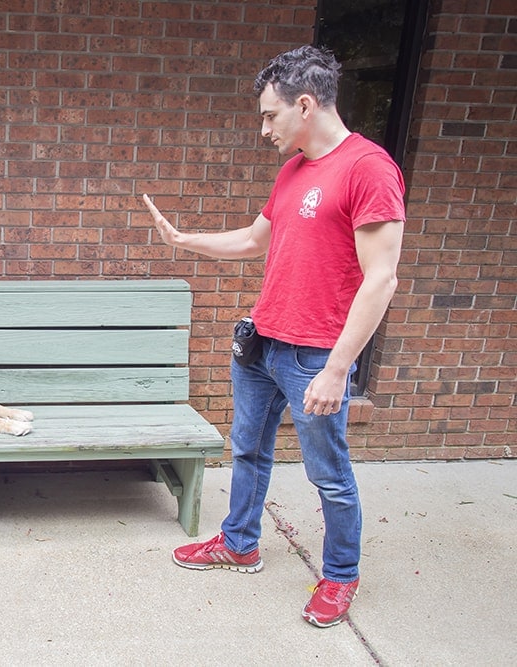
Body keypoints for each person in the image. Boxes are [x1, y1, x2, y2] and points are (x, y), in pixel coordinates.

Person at [143, 44, 405, 628]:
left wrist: (338, 369)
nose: (264, 128)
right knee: (249, 451)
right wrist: (183, 241)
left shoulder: (369, 169)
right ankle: (240, 543)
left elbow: (381, 279)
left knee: (328, 473)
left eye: (270, 115)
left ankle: (339, 576)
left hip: (315, 354)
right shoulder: (293, 170)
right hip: (262, 342)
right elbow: (253, 241)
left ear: (305, 105)